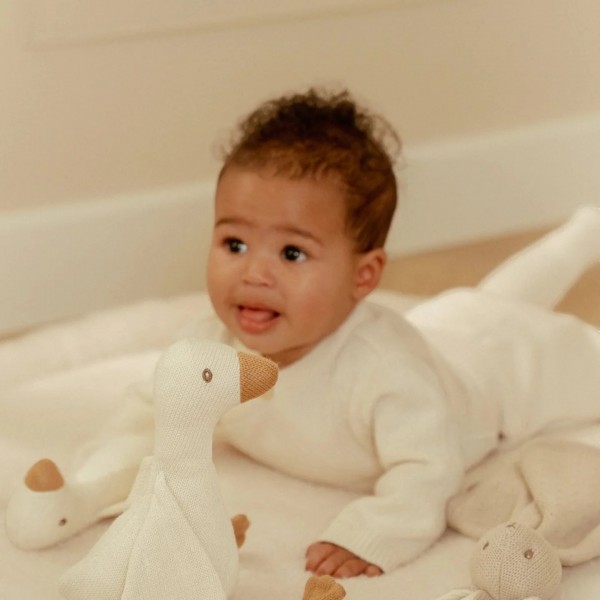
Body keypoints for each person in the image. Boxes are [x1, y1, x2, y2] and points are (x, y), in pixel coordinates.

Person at [185, 87, 600, 579]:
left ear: (363, 276)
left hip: (496, 370)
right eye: (235, 244)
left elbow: (430, 471)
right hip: (444, 328)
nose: (254, 274)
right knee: (492, 299)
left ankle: (583, 235)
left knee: (529, 329)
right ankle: (584, 233)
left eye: (292, 253)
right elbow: (160, 403)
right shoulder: (210, 345)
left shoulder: (390, 377)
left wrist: (371, 531)